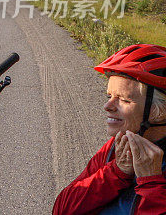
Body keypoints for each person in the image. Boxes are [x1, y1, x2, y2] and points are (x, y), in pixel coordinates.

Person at [53, 44, 166, 214]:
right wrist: (116, 173)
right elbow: (63, 209)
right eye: (109, 96)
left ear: (159, 111)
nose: (107, 106)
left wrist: (151, 185)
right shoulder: (117, 147)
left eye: (123, 100)